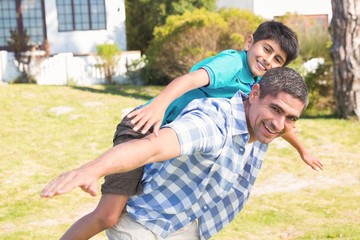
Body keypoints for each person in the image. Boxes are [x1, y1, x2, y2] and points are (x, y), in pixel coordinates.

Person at [45, 21, 323, 240]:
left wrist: (303, 150)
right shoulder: (232, 65)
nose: (268, 60)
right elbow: (188, 80)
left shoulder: (255, 92)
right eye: (266, 50)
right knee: (108, 216)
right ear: (249, 42)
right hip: (144, 125)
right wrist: (158, 106)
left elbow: (279, 122)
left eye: (277, 59)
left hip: (166, 131)